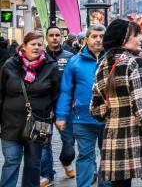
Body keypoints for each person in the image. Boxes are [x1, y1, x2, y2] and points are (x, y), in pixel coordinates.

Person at [91, 19, 142, 187]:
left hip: (114, 137)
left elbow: (95, 110)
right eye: (136, 34)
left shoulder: (103, 65)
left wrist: (116, 111)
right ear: (123, 38)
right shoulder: (135, 62)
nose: (141, 38)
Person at [0, 31, 60, 187]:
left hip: (38, 125)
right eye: (33, 44)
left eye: (40, 44)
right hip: (11, 125)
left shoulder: (50, 66)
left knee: (33, 164)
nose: (36, 47)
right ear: (24, 46)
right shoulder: (9, 65)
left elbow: (56, 95)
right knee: (11, 162)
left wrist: (55, 117)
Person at [54, 25, 108, 187]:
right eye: (94, 36)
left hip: (109, 117)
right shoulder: (75, 62)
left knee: (108, 156)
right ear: (86, 40)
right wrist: (61, 115)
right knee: (85, 155)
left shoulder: (112, 60)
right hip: (83, 118)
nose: (98, 39)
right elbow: (66, 91)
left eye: (101, 36)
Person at [41, 26, 76, 186]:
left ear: (61, 37)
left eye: (57, 35)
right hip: (43, 107)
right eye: (51, 35)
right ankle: (47, 174)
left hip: (65, 106)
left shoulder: (70, 57)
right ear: (46, 37)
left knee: (68, 141)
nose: (54, 38)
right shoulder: (39, 57)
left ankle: (66, 160)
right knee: (43, 142)